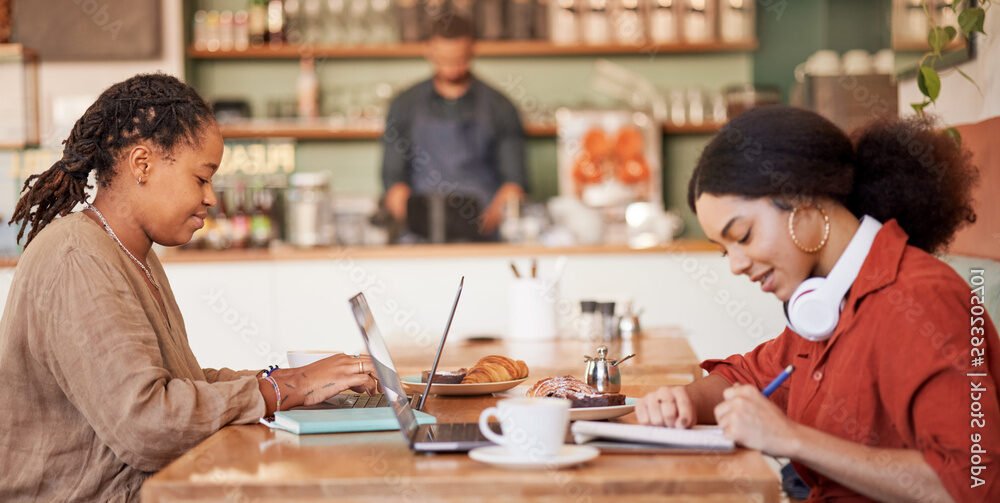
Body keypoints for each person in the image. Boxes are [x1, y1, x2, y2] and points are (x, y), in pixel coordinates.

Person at [0, 74, 378, 502]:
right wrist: (285, 388)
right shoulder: (76, 258)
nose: (211, 198)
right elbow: (147, 425)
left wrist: (295, 383)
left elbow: (183, 384)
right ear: (142, 164)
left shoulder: (130, 252)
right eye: (201, 178)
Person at [636, 106, 998, 502]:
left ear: (802, 197)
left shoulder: (921, 300)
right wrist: (682, 401)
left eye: (742, 235)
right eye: (725, 250)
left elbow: (971, 484)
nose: (736, 265)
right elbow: (749, 378)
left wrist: (791, 439)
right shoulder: (825, 301)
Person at [381, 14, 527, 239]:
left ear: (472, 50)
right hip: (419, 235)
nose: (451, 68)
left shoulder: (500, 107)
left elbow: (514, 183)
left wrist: (486, 222)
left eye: (459, 60)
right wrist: (418, 223)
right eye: (444, 60)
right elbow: (393, 180)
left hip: (482, 234)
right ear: (429, 51)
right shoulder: (404, 105)